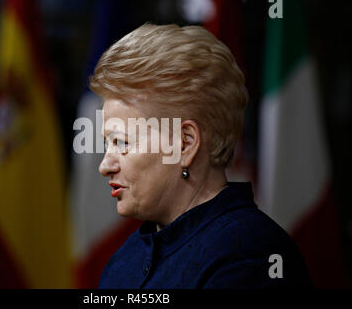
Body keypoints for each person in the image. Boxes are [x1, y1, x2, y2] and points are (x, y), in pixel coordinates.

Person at [89, 23, 312, 288]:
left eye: (122, 142)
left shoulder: (252, 257)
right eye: (107, 143)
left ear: (185, 143)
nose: (105, 166)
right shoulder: (125, 261)